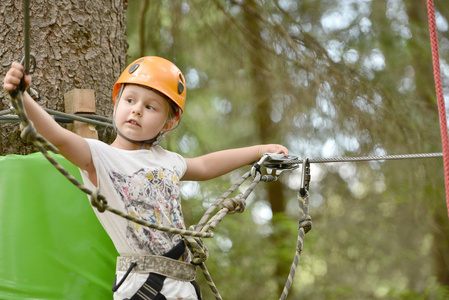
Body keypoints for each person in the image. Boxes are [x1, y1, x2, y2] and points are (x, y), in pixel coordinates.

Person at [3, 56, 288, 300]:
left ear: (169, 121)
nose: (137, 109)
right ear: (116, 104)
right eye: (130, 100)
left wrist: (259, 151)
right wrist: (21, 97)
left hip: (182, 280)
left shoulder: (168, 160)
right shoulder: (100, 156)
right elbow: (59, 138)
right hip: (140, 282)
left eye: (151, 107)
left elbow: (204, 165)